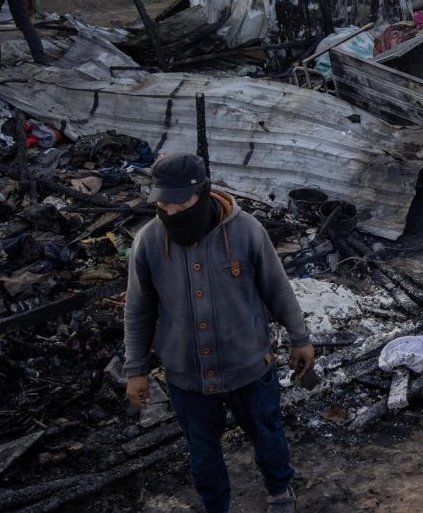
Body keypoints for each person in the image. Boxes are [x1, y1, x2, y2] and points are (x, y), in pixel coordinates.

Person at [124, 153, 313, 513]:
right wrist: (136, 370)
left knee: (268, 435)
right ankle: (216, 506)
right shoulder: (149, 241)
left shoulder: (246, 231)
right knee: (202, 451)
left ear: (204, 193)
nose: (171, 212)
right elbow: (138, 311)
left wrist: (300, 338)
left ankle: (279, 490)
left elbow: (277, 288)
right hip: (187, 376)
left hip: (249, 366)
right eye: (163, 203)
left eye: (180, 203)